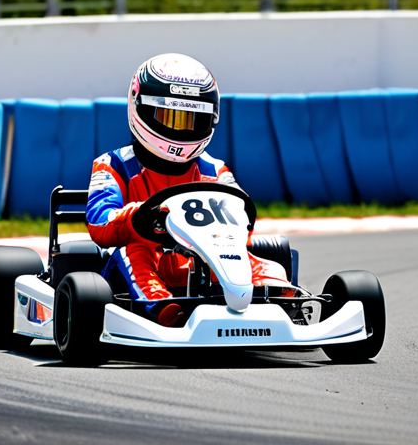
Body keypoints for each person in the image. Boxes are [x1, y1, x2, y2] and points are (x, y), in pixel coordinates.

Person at [86, 53, 288, 327]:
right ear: (139, 107)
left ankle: (281, 305)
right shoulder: (114, 166)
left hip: (201, 263)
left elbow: (243, 224)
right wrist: (138, 217)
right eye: (169, 116)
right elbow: (99, 222)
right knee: (131, 253)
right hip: (137, 264)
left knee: (259, 261)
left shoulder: (214, 170)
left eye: (192, 119)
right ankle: (164, 312)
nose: (180, 129)